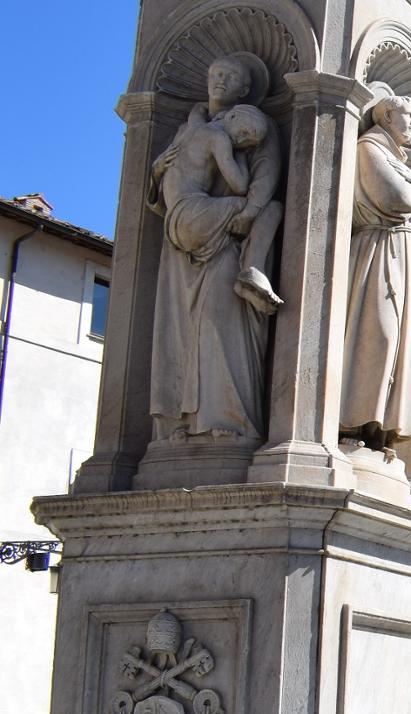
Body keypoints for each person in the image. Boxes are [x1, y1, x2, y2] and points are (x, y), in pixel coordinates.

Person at [147, 54, 284, 442]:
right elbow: (166, 189)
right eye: (216, 74)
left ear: (246, 90)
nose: (220, 82)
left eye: (231, 77)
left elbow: (266, 171)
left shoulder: (258, 126)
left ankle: (224, 418)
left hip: (227, 241)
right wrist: (156, 172)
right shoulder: (198, 128)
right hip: (188, 245)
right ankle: (181, 422)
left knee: (220, 322)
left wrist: (252, 209)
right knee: (180, 331)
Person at [340, 88, 411, 453]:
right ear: (387, 118)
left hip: (403, 251)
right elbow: (398, 200)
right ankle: (352, 421)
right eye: (408, 118)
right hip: (380, 248)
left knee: (400, 343)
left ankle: (378, 429)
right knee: (376, 333)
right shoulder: (370, 149)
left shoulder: (397, 159)